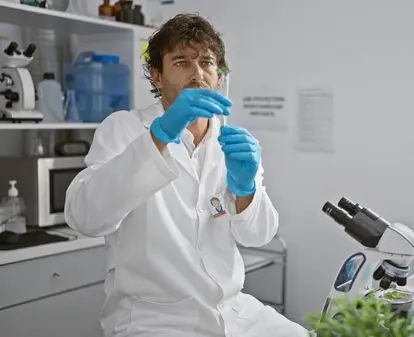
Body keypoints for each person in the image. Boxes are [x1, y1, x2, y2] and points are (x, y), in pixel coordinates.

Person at [64, 13, 308, 337]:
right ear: (156, 75)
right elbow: (85, 216)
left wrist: (247, 187)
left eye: (207, 62)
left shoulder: (232, 142)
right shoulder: (124, 129)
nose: (197, 74)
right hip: (154, 318)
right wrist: (161, 135)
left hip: (232, 311)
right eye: (181, 62)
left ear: (219, 77)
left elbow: (258, 236)